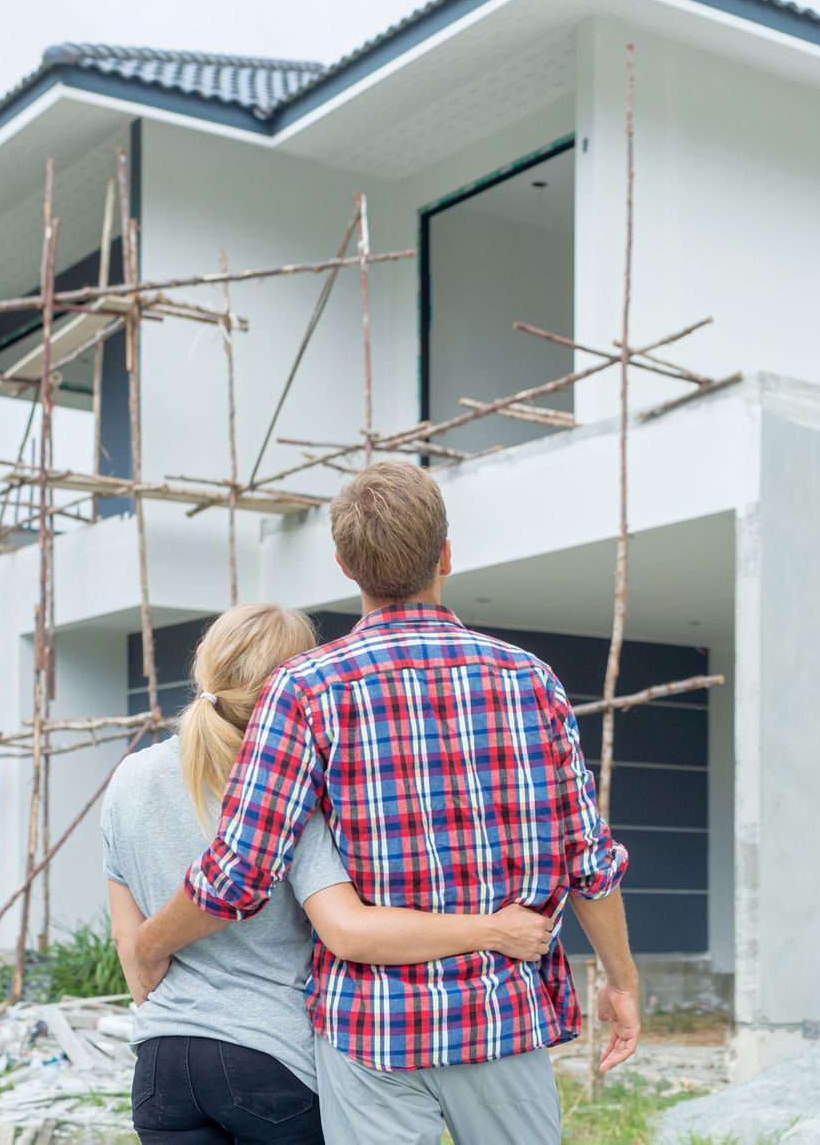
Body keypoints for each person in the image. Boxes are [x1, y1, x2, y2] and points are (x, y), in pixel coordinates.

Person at [126, 461, 641, 1144]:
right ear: (446, 556)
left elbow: (239, 874)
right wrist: (621, 981)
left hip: (372, 1034)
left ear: (344, 565)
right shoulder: (531, 681)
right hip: (503, 1016)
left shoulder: (305, 690)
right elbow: (589, 861)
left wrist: (149, 944)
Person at [102, 600, 557, 1144]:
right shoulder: (285, 789)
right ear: (296, 682)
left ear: (203, 657)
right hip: (273, 1061)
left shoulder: (129, 778)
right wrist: (493, 929)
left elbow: (131, 947)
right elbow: (348, 931)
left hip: (161, 1068)